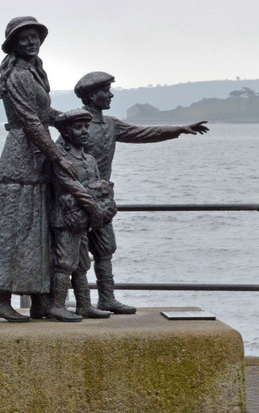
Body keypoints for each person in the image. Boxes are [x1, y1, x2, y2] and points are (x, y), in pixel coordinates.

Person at [74, 71, 209, 314]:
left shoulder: (111, 124)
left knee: (105, 249)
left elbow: (142, 133)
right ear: (92, 95)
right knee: (77, 253)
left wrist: (178, 129)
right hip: (75, 198)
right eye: (105, 90)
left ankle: (107, 299)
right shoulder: (75, 124)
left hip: (102, 198)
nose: (110, 95)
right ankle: (83, 304)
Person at [0, 16, 81, 322]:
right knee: (14, 230)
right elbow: (30, 122)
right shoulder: (18, 76)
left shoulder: (33, 73)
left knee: (37, 232)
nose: (31, 42)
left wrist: (66, 119)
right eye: (24, 39)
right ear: (13, 44)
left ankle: (42, 301)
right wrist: (58, 155)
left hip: (36, 158)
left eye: (35, 37)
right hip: (22, 158)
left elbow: (43, 114)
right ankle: (1, 298)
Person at [50, 109, 114, 319]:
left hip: (84, 220)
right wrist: (93, 207)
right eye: (78, 128)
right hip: (66, 219)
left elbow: (96, 185)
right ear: (66, 133)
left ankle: (84, 305)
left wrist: (102, 204)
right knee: (65, 263)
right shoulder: (61, 159)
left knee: (82, 264)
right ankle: (57, 305)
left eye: (86, 127)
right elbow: (71, 187)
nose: (85, 131)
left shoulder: (89, 159)